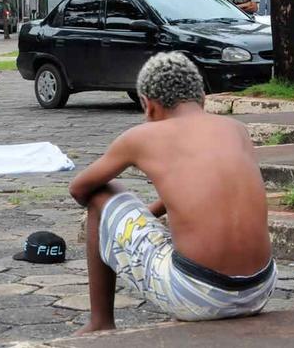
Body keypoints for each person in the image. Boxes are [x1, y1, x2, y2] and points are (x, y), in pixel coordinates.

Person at [69, 52, 276, 335]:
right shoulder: (236, 130)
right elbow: (205, 192)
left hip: (197, 295)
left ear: (149, 105)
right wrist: (150, 214)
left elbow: (79, 189)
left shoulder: (141, 137)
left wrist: (116, 224)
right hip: (259, 289)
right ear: (202, 97)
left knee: (103, 194)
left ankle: (100, 322)